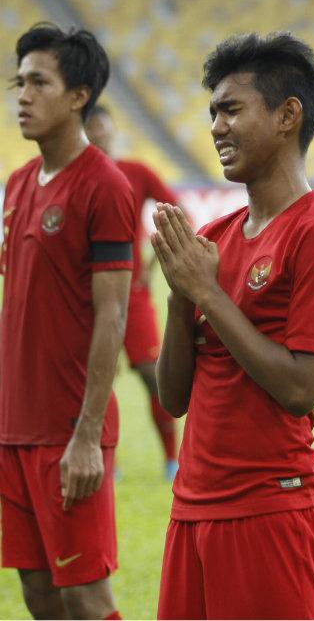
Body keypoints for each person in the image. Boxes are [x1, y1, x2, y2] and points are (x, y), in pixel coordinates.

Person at [152, 32, 314, 619]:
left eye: (231, 109)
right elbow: (172, 400)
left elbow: (300, 390)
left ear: (287, 115)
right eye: (213, 112)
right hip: (191, 510)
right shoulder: (215, 237)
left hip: (270, 512)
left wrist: (207, 294)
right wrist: (177, 299)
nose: (216, 126)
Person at [0, 23, 133, 619]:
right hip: (13, 426)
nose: (22, 96)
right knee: (38, 592)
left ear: (78, 95)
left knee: (84, 594)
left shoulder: (104, 184)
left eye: (38, 83)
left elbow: (113, 314)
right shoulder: (17, 184)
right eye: (18, 82)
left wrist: (86, 437)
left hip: (68, 430)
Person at [85, 104, 181, 481]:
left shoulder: (135, 173)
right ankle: (108, 462)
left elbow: (177, 211)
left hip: (133, 296)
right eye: (90, 128)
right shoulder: (74, 179)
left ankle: (172, 461)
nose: (97, 134)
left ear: (112, 132)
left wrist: (156, 261)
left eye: (102, 127)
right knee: (97, 378)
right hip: (89, 297)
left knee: (153, 375)